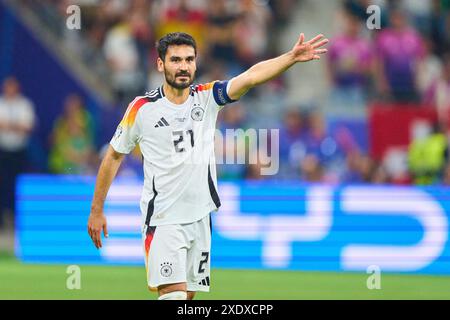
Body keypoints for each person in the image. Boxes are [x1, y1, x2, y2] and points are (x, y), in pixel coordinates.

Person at [87, 32, 328, 300]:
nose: (183, 66)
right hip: (163, 220)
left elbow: (250, 77)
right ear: (160, 65)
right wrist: (97, 210)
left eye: (189, 60)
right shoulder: (142, 109)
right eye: (175, 60)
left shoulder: (207, 97)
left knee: (187, 299)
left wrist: (290, 58)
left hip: (201, 217)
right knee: (173, 297)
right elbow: (113, 156)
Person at [0, 77, 35, 229]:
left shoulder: (24, 105)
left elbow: (27, 128)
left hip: (18, 152)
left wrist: (8, 125)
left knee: (18, 184)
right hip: (2, 151)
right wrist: (16, 126)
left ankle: (17, 218)